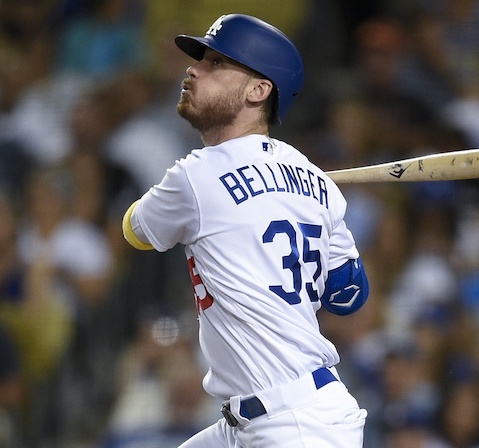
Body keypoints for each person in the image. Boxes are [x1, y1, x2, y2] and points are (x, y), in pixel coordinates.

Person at [121, 13, 370, 448]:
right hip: (259, 419)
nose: (194, 69)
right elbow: (349, 295)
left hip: (297, 427)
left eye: (217, 63)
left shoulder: (195, 176)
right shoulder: (315, 181)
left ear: (259, 90)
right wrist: (312, 202)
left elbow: (135, 231)